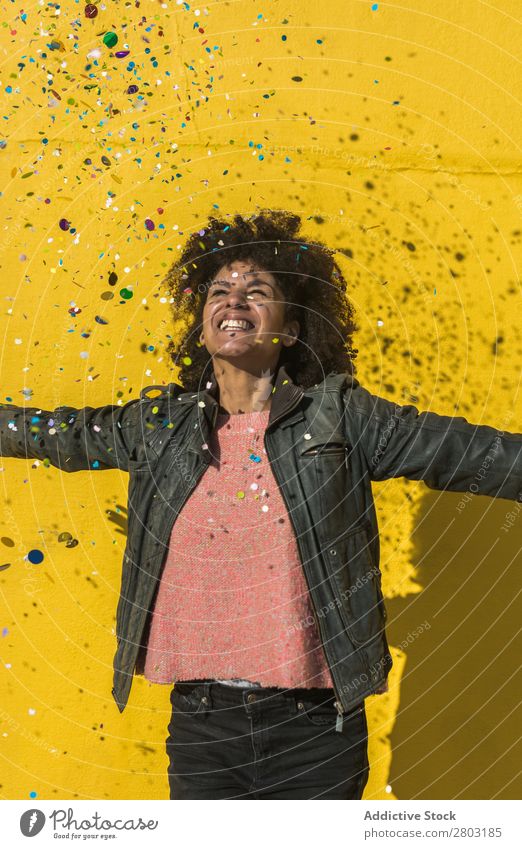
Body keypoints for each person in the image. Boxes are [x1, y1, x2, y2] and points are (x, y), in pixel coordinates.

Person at [1, 209, 521, 800]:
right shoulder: (160, 428)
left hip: (316, 726)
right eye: (220, 290)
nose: (235, 299)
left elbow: (472, 453)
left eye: (257, 291)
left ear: (292, 329)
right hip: (203, 725)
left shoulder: (340, 416)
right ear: (202, 327)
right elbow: (56, 432)